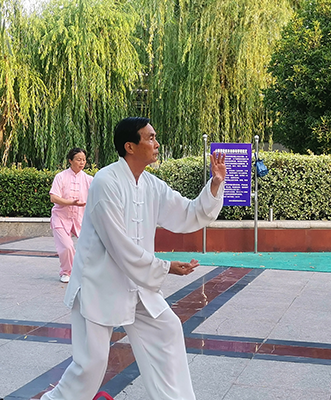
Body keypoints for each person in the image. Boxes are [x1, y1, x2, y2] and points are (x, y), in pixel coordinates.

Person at [41, 117, 226, 400]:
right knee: (91, 365)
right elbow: (120, 246)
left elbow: (187, 213)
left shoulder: (152, 185)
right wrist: (165, 267)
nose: (156, 143)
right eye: (150, 138)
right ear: (130, 146)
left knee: (167, 331)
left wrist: (214, 185)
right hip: (99, 285)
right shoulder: (106, 182)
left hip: (137, 285)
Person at [49, 148, 94, 283]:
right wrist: (70, 203)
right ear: (70, 161)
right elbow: (53, 198)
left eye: (84, 160)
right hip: (60, 217)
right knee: (67, 246)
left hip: (80, 218)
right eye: (78, 160)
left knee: (92, 246)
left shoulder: (89, 179)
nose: (82, 163)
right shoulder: (61, 177)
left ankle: (87, 271)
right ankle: (67, 272)